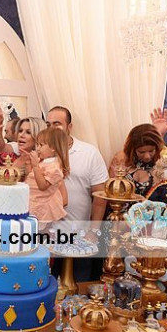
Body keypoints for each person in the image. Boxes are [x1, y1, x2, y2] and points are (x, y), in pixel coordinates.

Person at [45, 106, 108, 282]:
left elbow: (100, 196)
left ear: (69, 127)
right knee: (47, 286)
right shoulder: (41, 152)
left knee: (78, 286)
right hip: (47, 236)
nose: (52, 128)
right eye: (48, 124)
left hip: (80, 237)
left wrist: (93, 231)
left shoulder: (89, 153)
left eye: (57, 124)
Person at [24, 127, 69, 233]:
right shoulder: (43, 162)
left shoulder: (54, 167)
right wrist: (29, 164)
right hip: (33, 200)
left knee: (38, 232)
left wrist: (35, 166)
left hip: (42, 206)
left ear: (53, 148)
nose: (38, 148)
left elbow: (42, 186)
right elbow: (32, 177)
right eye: (37, 145)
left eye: (41, 145)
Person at [108, 124, 165, 196]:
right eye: (141, 152)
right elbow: (112, 191)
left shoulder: (164, 164)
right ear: (133, 150)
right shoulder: (121, 161)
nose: (147, 156)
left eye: (151, 151)